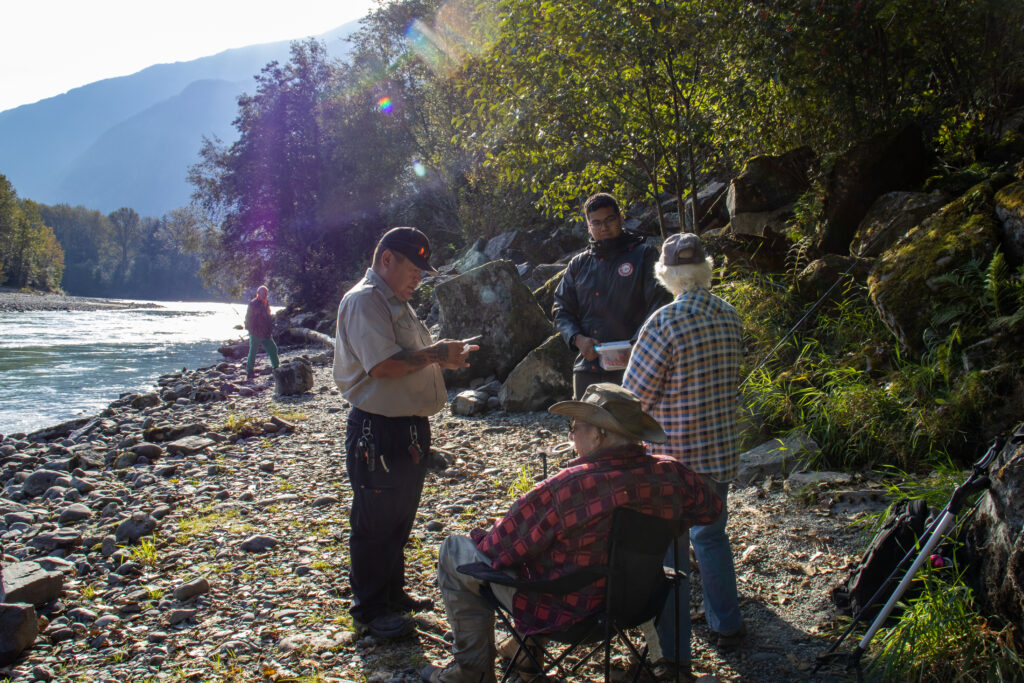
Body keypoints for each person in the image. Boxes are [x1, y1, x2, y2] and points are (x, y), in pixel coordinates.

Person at [420, 383, 721, 683]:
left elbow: (495, 550)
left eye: (575, 427)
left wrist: (483, 536)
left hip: (566, 612)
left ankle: (471, 673)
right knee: (547, 553)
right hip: (637, 604)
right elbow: (710, 510)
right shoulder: (673, 474)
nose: (571, 435)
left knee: (455, 550)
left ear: (598, 434)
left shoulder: (568, 488)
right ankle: (525, 655)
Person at [334, 226, 479, 639]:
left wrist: (445, 360)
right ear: (387, 260)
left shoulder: (395, 301)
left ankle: (392, 593)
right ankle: (369, 608)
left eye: (422, 270)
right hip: (377, 428)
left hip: (407, 427)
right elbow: (382, 366)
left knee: (399, 516)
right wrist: (438, 354)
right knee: (374, 518)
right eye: (414, 268)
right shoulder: (365, 301)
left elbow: (409, 360)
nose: (419, 277)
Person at [622, 232, 747, 674]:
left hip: (675, 461)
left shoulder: (664, 322)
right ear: (706, 269)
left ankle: (674, 657)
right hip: (720, 451)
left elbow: (633, 398)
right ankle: (727, 624)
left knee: (672, 556)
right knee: (711, 537)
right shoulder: (731, 315)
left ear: (666, 274)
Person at [553, 193, 671, 399]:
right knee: (584, 428)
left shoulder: (644, 255)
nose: (603, 228)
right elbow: (561, 309)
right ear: (588, 226)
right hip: (588, 365)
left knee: (631, 429)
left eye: (609, 220)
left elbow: (659, 305)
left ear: (621, 218)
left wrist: (636, 344)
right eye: (596, 223)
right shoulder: (578, 264)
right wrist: (578, 339)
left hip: (636, 365)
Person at [244, 285, 279, 381]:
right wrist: (250, 329)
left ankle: (276, 369)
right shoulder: (253, 303)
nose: (265, 295)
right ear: (258, 293)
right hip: (255, 332)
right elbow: (248, 318)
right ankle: (249, 371)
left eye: (266, 293)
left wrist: (271, 326)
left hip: (266, 333)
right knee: (253, 352)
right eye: (263, 293)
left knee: (273, 349)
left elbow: (268, 317)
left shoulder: (266, 303)